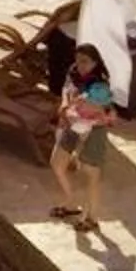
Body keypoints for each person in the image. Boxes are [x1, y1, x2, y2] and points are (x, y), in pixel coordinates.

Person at [50, 45, 117, 230]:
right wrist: (65, 107)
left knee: (91, 175)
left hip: (94, 130)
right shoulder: (73, 72)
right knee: (57, 163)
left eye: (85, 61)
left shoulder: (100, 85)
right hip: (72, 125)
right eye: (78, 59)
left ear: (95, 62)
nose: (80, 65)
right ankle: (71, 203)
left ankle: (92, 218)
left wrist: (75, 109)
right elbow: (66, 91)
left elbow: (101, 112)